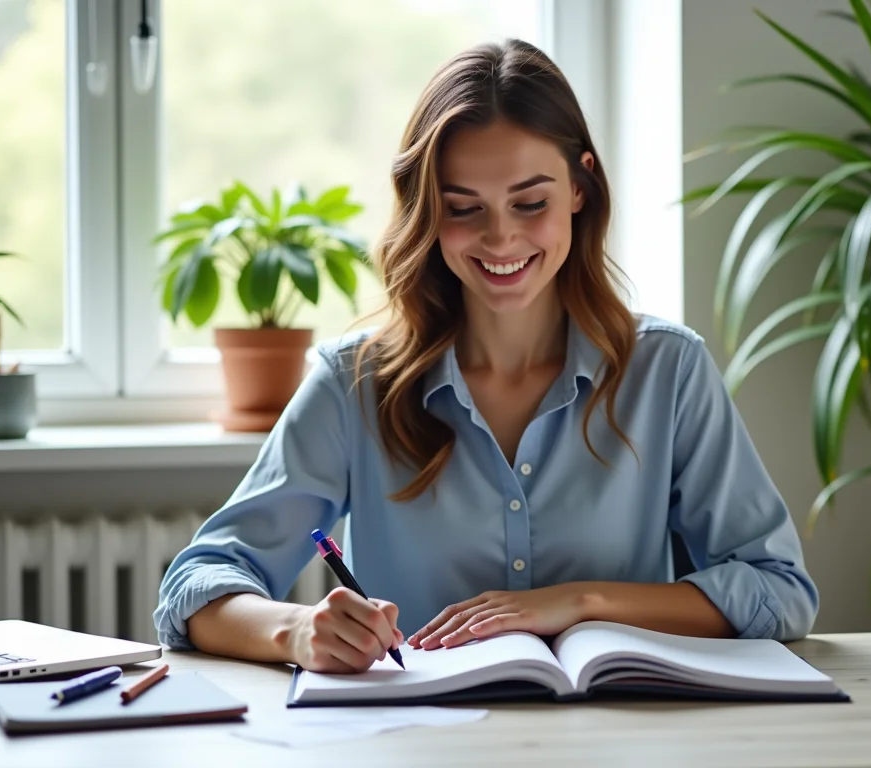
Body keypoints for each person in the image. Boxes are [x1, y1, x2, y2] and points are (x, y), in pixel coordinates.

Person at [154, 38, 818, 674]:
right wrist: (297, 631)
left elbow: (780, 590)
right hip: (419, 741)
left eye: (531, 202)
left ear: (581, 188)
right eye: (464, 208)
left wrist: (580, 603)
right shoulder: (353, 383)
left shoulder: (668, 372)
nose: (501, 238)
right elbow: (197, 586)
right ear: (426, 209)